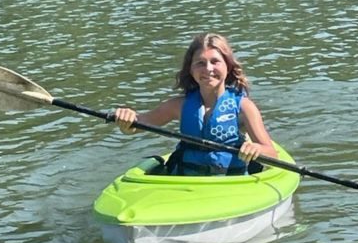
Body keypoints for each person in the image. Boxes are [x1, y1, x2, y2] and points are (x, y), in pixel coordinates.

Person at [114, 32, 277, 176]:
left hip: (230, 185)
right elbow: (136, 126)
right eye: (200, 63)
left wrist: (257, 149)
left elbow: (271, 153)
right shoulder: (178, 106)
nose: (208, 69)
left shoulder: (244, 107)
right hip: (187, 184)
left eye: (215, 61)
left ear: (228, 66)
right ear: (191, 70)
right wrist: (127, 119)